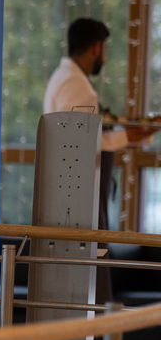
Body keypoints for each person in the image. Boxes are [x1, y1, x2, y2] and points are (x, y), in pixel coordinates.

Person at [43, 17, 154, 230]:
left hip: (71, 190)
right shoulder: (75, 85)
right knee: (93, 255)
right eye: (104, 49)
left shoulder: (64, 77)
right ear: (96, 48)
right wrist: (129, 136)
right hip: (78, 192)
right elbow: (81, 143)